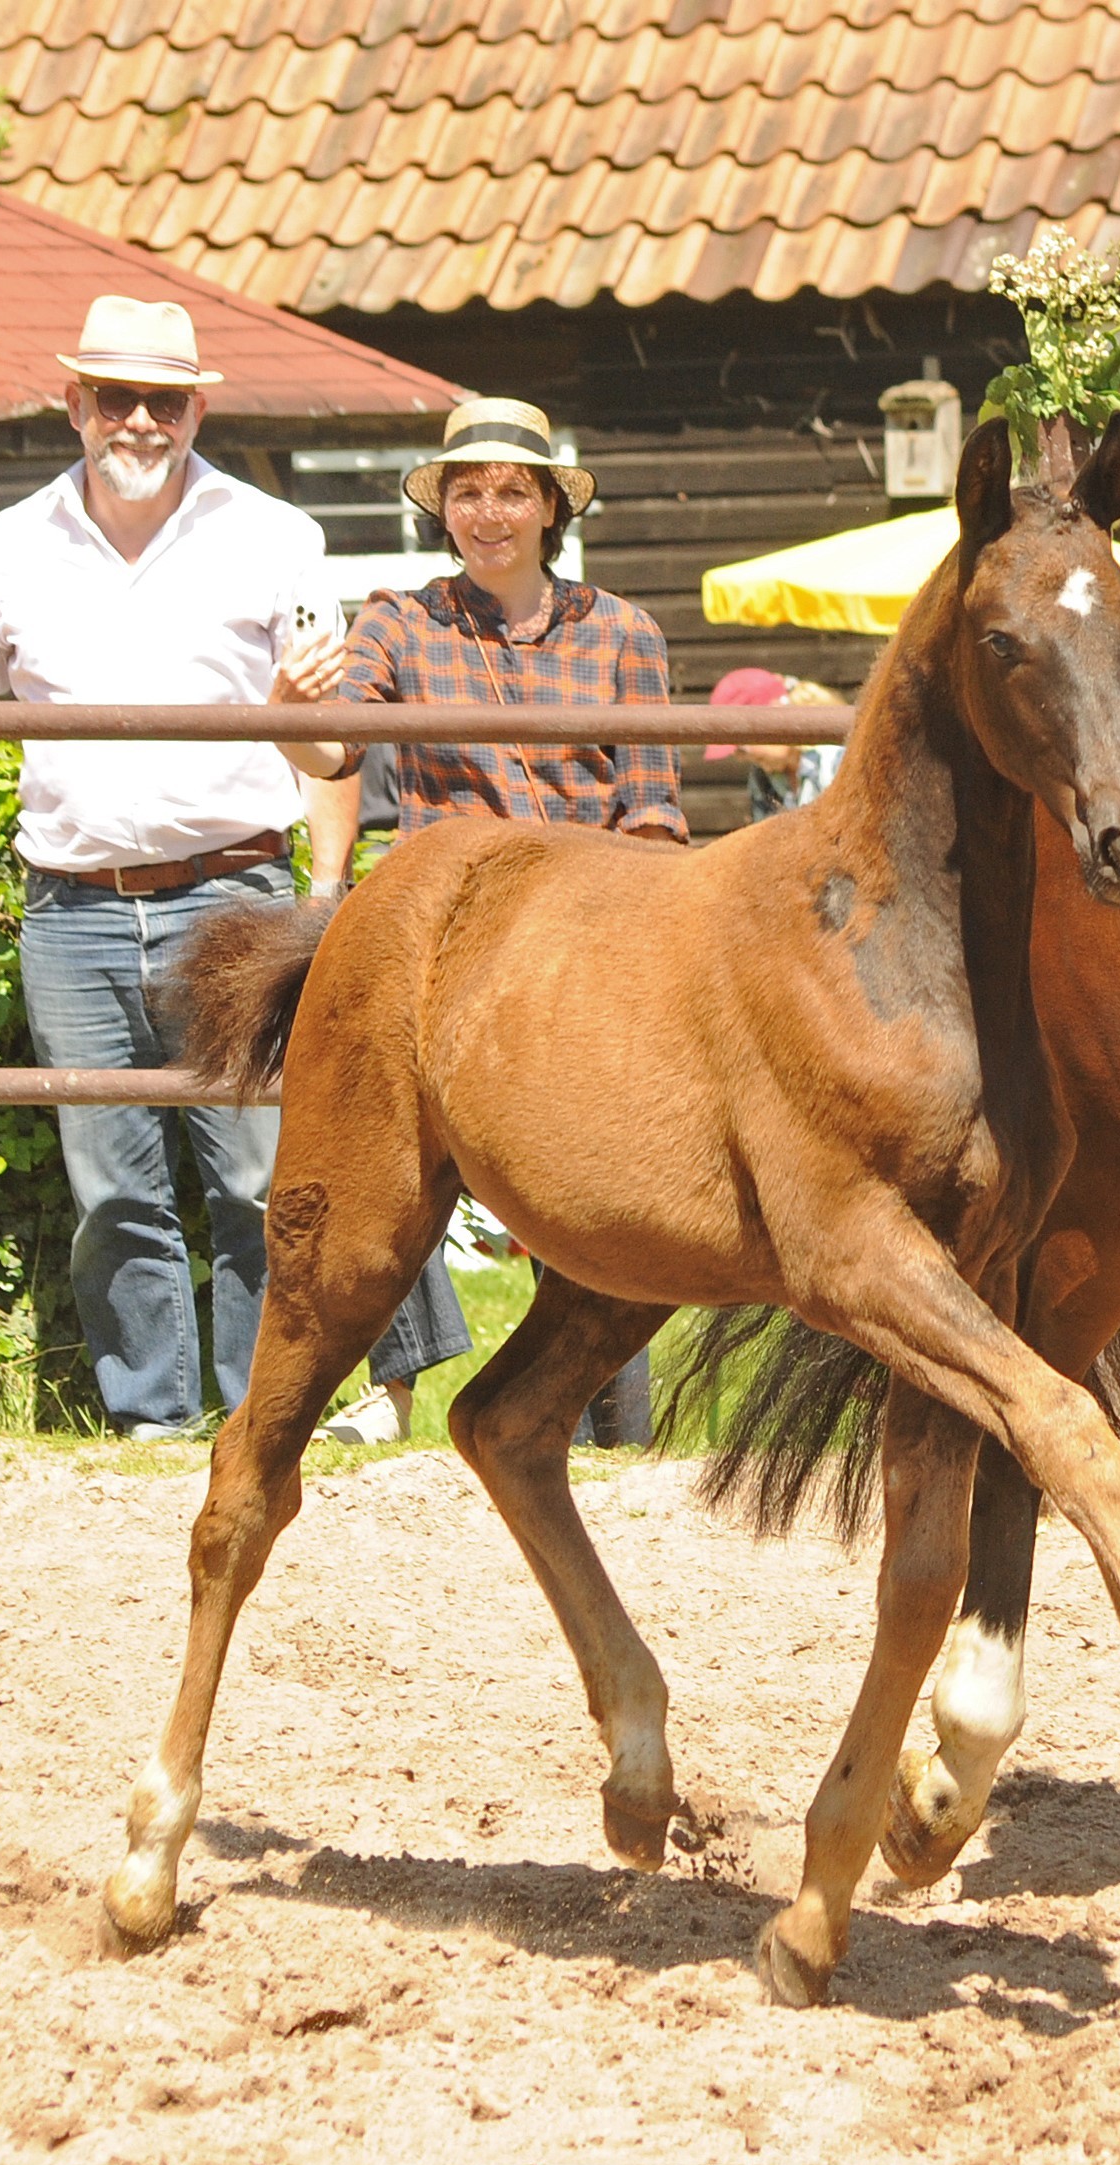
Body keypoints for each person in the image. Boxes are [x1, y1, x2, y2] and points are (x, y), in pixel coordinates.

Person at [0, 295, 349, 1441]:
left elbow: (332, 743)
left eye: (162, 400)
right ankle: (150, 1420)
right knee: (112, 1190)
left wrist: (296, 720)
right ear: (73, 404)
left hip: (231, 892)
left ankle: (263, 1418)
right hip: (73, 907)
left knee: (256, 1176)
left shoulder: (274, 537)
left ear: (198, 408)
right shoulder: (12, 543)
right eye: (115, 397)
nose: (138, 421)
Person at [289, 396, 686, 1446]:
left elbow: (652, 812)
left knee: (602, 1191)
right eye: (467, 490)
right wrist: (296, 711)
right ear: (444, 508)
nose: (488, 509)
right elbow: (337, 748)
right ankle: (394, 1387)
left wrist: (633, 948)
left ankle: (621, 1436)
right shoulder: (399, 619)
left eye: (512, 489)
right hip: (450, 948)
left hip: (586, 946)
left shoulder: (623, 634)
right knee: (374, 1157)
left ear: (550, 506)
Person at [706, 666, 846, 820]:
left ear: (776, 713)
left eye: (742, 747)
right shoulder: (761, 779)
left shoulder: (836, 764)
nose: (741, 757)